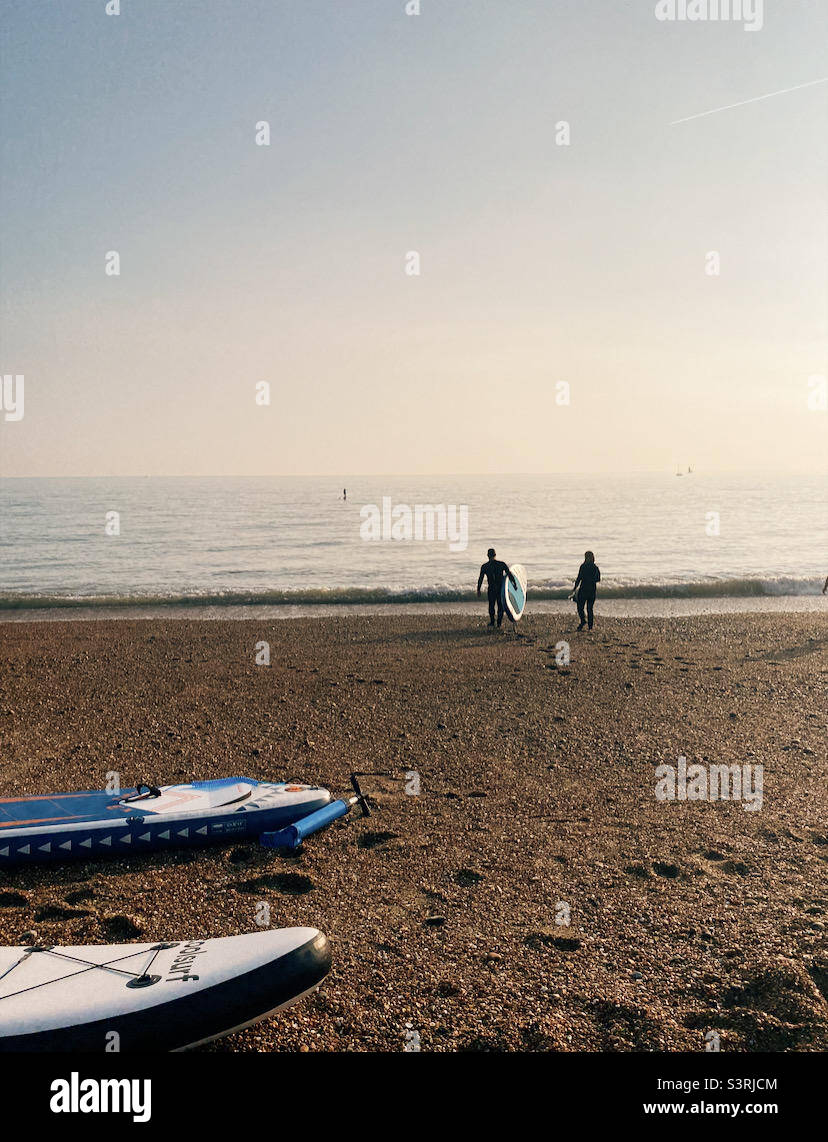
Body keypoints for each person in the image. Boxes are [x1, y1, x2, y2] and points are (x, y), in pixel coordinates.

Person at [477, 548, 517, 628]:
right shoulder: (501, 564)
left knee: (491, 605)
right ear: (495, 555)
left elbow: (480, 578)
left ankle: (492, 622)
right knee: (500, 606)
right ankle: (498, 623)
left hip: (491, 588)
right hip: (500, 589)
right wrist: (514, 584)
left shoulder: (485, 566)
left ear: (488, 556)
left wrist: (478, 589)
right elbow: (509, 574)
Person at [571, 550, 601, 631]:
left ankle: (584, 621)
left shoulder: (583, 566)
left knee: (581, 607)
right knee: (589, 608)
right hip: (591, 590)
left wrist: (575, 588)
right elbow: (598, 579)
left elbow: (579, 578)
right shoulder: (595, 567)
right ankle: (589, 626)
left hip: (584, 590)